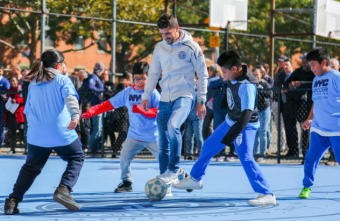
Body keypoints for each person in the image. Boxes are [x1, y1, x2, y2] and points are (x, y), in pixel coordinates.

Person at [174, 50, 276, 207]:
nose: (223, 74)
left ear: (234, 69)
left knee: (246, 157)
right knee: (208, 146)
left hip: (245, 125)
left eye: (225, 71)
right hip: (231, 121)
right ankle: (195, 179)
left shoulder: (247, 85)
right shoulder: (233, 76)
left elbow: (247, 113)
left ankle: (267, 193)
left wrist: (231, 136)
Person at [4, 49, 84, 215]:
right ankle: (64, 188)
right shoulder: (63, 80)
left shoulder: (33, 83)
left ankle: (12, 200)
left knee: (30, 169)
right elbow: (71, 99)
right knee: (77, 156)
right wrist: (75, 116)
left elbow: (28, 110)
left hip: (37, 134)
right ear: (59, 65)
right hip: (61, 131)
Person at [141, 14, 208, 184]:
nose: (166, 37)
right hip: (165, 98)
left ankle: (173, 168)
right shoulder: (159, 48)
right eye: (163, 34)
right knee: (163, 141)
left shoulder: (191, 47)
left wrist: (201, 100)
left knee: (173, 126)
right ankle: (166, 182)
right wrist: (146, 95)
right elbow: (153, 73)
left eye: (168, 33)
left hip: (185, 96)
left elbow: (202, 73)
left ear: (177, 29)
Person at [82, 62, 160, 193]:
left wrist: (144, 111)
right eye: (137, 78)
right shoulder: (127, 93)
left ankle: (180, 176)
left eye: (143, 78)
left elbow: (162, 112)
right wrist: (92, 111)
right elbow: (108, 104)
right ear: (132, 78)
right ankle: (126, 182)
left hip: (154, 136)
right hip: (134, 136)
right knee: (124, 156)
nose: (140, 81)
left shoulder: (153, 94)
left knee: (166, 163)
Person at [298, 47, 340, 199]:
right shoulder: (316, 80)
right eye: (310, 65)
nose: (311, 68)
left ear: (323, 62)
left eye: (313, 65)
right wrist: (310, 118)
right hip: (318, 129)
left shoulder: (336, 77)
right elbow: (316, 101)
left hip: (336, 129)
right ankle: (307, 187)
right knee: (310, 159)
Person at [253, 67, 273, 161]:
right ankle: (255, 154)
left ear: (261, 74)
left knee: (263, 131)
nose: (256, 76)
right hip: (255, 110)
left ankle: (262, 154)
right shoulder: (252, 84)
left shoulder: (265, 83)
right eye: (254, 74)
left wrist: (262, 90)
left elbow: (270, 94)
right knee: (255, 132)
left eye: (257, 74)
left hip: (264, 109)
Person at [88, 62, 105, 153]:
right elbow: (90, 86)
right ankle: (91, 148)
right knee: (97, 128)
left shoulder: (98, 78)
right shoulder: (94, 77)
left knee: (99, 128)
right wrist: (102, 90)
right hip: (96, 106)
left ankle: (94, 148)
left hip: (99, 106)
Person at [5, 77, 25, 153]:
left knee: (22, 133)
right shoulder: (9, 91)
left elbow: (24, 99)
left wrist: (16, 100)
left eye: (14, 81)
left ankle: (26, 149)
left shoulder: (21, 89)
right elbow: (7, 99)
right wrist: (6, 99)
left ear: (17, 81)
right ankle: (12, 149)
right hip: (11, 115)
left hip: (19, 115)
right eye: (11, 81)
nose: (12, 82)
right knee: (12, 133)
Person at [0, 64, 10, 148]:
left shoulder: (5, 81)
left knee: (1, 126)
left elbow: (6, 93)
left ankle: (1, 144)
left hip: (1, 107)